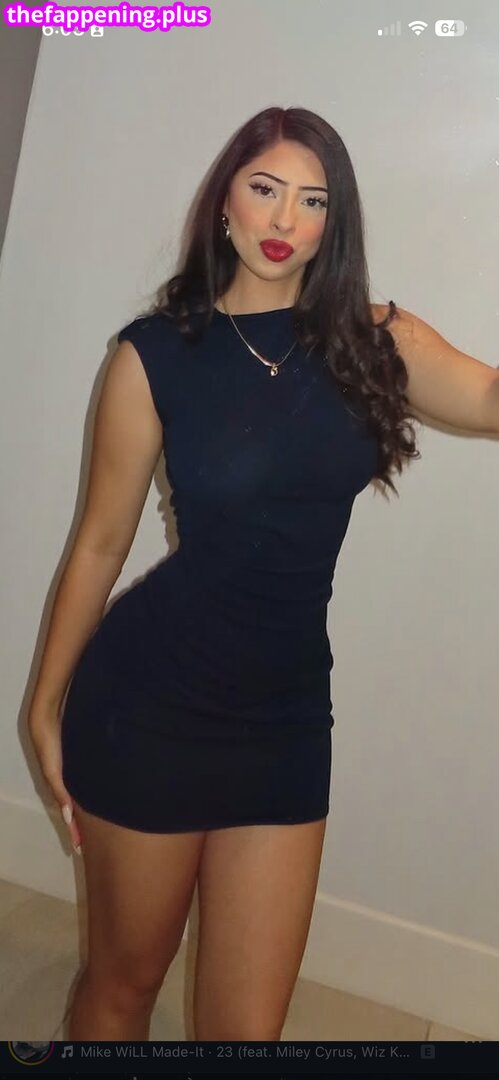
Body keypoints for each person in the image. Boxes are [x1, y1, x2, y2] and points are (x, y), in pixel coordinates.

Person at [27, 105, 498, 1043]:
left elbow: (487, 397)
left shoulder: (375, 341)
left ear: (334, 221)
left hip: (284, 717)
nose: (284, 220)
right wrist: (43, 703)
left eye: (311, 200)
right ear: (225, 203)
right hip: (150, 708)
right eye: (265, 189)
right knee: (122, 986)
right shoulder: (154, 356)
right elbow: (100, 542)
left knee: (247, 1031)